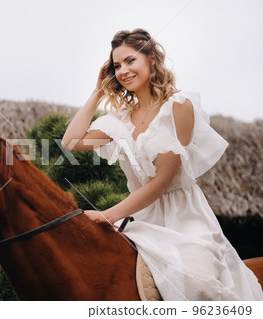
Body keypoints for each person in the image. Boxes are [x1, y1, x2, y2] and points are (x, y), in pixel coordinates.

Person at [62, 28, 263, 301]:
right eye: (117, 66)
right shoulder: (120, 118)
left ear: (152, 59)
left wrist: (107, 215)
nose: (123, 70)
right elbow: (71, 141)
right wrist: (98, 91)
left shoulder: (179, 106)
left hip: (184, 217)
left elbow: (162, 181)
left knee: (198, 285)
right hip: (141, 217)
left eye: (131, 60)